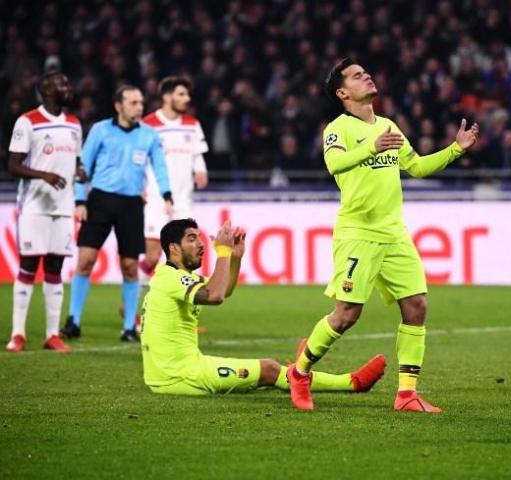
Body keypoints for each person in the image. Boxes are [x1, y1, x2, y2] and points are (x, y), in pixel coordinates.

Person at [286, 58, 479, 412]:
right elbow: (334, 164)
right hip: (358, 233)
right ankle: (299, 373)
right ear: (343, 92)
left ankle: (406, 394)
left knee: (417, 305)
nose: (367, 76)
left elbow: (416, 166)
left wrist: (455, 150)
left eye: (366, 72)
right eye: (357, 76)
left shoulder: (388, 125)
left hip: (394, 234)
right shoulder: (338, 128)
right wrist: (370, 148)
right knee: (346, 315)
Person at [141, 218, 386, 396]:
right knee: (270, 369)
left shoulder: (176, 277)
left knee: (274, 370)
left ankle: (347, 380)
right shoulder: (170, 278)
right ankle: (352, 383)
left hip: (175, 370)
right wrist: (223, 252)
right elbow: (215, 295)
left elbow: (223, 289)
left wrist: (234, 257)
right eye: (191, 239)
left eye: (199, 237)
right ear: (174, 248)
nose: (200, 244)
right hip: (178, 375)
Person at [60, 85, 173, 342]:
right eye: (133, 102)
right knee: (86, 260)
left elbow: (160, 166)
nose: (139, 107)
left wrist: (167, 194)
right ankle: (74, 320)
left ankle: (129, 327)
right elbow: (83, 167)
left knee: (130, 265)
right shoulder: (100, 130)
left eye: (141, 102)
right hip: (100, 200)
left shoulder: (149, 135)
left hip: (131, 204)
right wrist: (80, 199)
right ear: (118, 105)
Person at [5, 71, 85, 352]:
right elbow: (13, 165)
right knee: (28, 266)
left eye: (67, 82)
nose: (68, 87)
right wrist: (44, 175)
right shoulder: (28, 121)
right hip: (34, 207)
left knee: (55, 268)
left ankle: (52, 335)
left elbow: (75, 161)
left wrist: (81, 171)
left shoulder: (75, 124)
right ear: (47, 90)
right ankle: (18, 334)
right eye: (62, 84)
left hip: (63, 209)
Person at [139, 76, 209, 283]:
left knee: (187, 258)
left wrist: (200, 170)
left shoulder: (192, 124)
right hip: (155, 199)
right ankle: (131, 304)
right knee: (152, 257)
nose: (187, 98)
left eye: (187, 94)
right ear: (167, 97)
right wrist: (139, 186)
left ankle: (183, 309)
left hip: (183, 201)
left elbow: (197, 154)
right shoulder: (148, 125)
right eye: (181, 94)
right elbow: (139, 160)